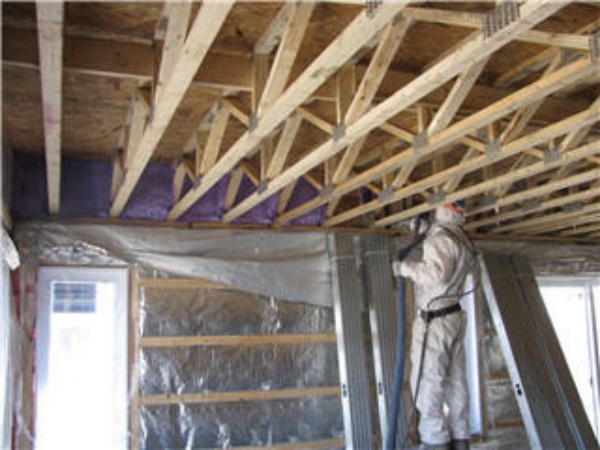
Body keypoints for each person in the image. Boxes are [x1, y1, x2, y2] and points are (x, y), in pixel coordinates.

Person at [392, 200, 477, 450]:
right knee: (455, 382)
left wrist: (404, 268)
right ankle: (460, 437)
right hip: (453, 317)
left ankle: (434, 441)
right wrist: (424, 232)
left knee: (427, 383)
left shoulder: (440, 239)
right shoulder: (459, 237)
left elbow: (436, 275)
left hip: (435, 322)